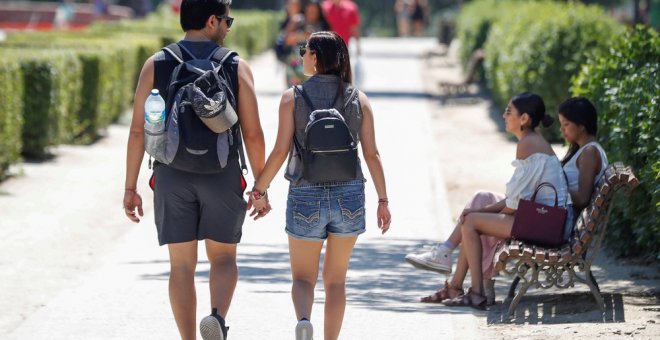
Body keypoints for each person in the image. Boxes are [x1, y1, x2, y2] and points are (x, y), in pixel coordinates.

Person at [122, 1, 266, 339]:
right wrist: (260, 186)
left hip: (172, 174)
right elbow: (254, 133)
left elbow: (138, 131)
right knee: (223, 258)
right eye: (227, 21)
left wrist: (131, 187)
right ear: (212, 20)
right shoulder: (235, 66)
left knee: (182, 266)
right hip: (222, 173)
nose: (228, 28)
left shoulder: (156, 64)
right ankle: (216, 316)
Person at [248, 31, 391, 340]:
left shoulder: (293, 97)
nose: (301, 56)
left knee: (302, 278)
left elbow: (279, 152)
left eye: (305, 50)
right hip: (350, 193)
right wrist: (383, 200)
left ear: (316, 57)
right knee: (337, 281)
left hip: (305, 193)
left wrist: (259, 190)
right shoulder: (358, 98)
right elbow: (371, 154)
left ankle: (303, 320)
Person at [408, 93, 571, 308]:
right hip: (543, 218)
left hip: (547, 225)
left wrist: (480, 214)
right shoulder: (531, 141)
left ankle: (477, 292)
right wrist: (483, 209)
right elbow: (515, 200)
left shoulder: (529, 144)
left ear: (523, 119)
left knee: (472, 222)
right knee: (480, 198)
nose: (504, 115)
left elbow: (513, 206)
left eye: (508, 111)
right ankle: (453, 279)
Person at [282, 0, 332, 87]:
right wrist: (303, 36)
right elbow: (286, 40)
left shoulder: (324, 25)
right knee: (294, 93)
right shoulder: (297, 21)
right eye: (310, 11)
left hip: (316, 65)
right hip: (296, 64)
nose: (312, 14)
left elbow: (329, 44)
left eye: (314, 11)